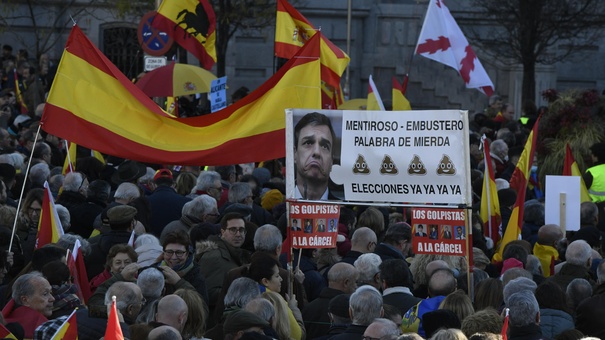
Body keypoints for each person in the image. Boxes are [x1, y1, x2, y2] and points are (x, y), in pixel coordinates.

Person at [198, 212, 251, 310]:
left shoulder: (237, 253)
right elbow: (207, 292)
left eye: (241, 230)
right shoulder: (214, 256)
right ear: (222, 232)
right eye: (233, 230)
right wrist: (238, 293)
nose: (238, 234)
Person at [302, 262, 359, 338]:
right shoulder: (350, 308)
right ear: (346, 282)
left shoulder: (308, 308)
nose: (356, 286)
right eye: (355, 282)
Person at [294, 112, 336, 200]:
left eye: (325, 146)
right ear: (295, 153)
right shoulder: (277, 210)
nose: (317, 152)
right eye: (308, 143)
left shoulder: (346, 212)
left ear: (332, 161)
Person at [3, 272, 54, 339]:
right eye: (45, 294)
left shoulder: (5, 324)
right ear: (25, 300)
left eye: (51, 292)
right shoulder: (43, 330)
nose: (52, 298)